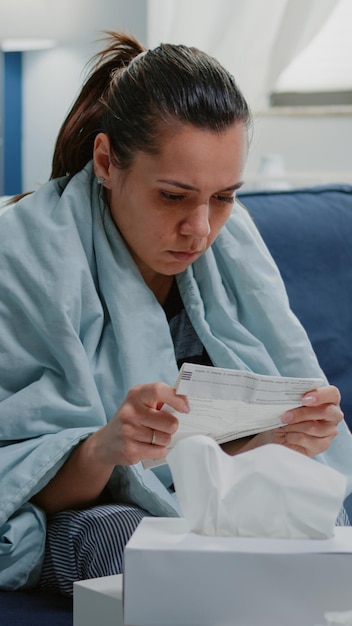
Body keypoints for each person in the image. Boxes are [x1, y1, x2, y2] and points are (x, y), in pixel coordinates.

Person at [0, 31, 351, 597]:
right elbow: (19, 485)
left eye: (224, 196)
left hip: (206, 498)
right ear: (107, 161)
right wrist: (105, 447)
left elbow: (225, 461)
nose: (201, 229)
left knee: (321, 518)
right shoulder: (21, 256)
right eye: (173, 196)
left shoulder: (236, 251)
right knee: (124, 541)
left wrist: (286, 438)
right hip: (85, 511)